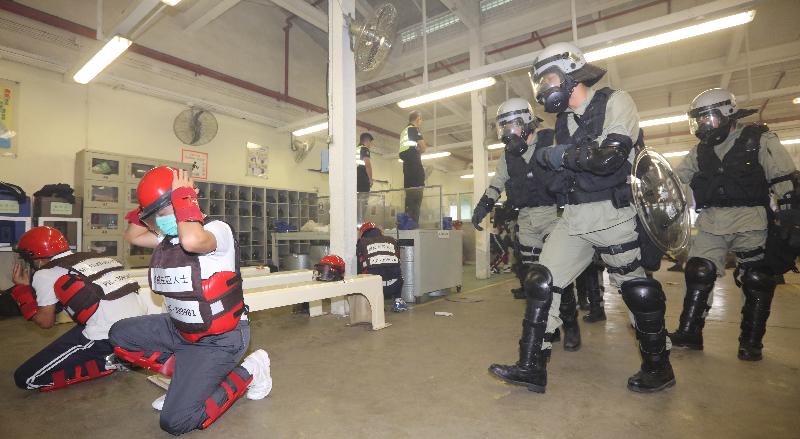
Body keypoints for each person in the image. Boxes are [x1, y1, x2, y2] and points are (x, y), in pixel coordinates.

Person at [488, 42, 674, 394]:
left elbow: (608, 159)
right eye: (539, 83)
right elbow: (561, 177)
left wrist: (559, 156)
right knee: (541, 281)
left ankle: (658, 365)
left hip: (612, 214)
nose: (544, 89)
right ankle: (532, 365)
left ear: (573, 73)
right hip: (573, 217)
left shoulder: (615, 101)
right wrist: (546, 162)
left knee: (636, 290)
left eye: (550, 78)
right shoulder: (563, 122)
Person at [110, 167, 272, 435]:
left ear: (187, 202)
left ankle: (251, 369)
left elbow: (193, 240)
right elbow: (134, 236)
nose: (162, 220)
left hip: (221, 337)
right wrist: (144, 209)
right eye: (157, 216)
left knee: (176, 422)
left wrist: (184, 199)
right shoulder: (169, 237)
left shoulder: (215, 229)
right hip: (180, 329)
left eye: (166, 211)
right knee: (120, 335)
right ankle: (187, 385)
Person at [669, 88, 797, 361]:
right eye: (699, 120)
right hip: (711, 220)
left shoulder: (759, 139)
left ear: (727, 113)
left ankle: (751, 343)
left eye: (707, 118)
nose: (703, 126)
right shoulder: (699, 151)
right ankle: (690, 333)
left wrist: (790, 217)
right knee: (698, 270)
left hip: (751, 220)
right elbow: (676, 180)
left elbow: (785, 179)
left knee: (757, 278)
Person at [472, 97, 581, 351]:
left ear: (527, 123)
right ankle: (547, 326)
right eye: (504, 127)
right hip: (526, 218)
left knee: (556, 274)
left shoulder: (550, 139)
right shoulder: (508, 155)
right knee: (534, 278)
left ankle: (571, 325)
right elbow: (498, 183)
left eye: (512, 126)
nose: (508, 133)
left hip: (553, 215)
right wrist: (483, 207)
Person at [10, 226, 144, 391]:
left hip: (107, 334)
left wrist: (22, 292)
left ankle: (109, 362)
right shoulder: (91, 257)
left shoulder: (45, 274)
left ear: (35, 258)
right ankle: (125, 353)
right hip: (139, 326)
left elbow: (46, 322)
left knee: (26, 378)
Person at [356, 222, 406, 312]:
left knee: (362, 274)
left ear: (363, 233)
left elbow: (359, 267)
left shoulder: (362, 243)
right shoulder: (391, 240)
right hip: (395, 285)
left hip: (376, 286)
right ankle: (398, 301)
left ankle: (377, 305)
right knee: (397, 272)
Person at [399, 111, 428, 226]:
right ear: (418, 119)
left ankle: (407, 221)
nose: (421, 122)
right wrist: (419, 150)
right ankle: (413, 223)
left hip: (407, 166)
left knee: (409, 195)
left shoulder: (404, 131)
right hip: (415, 165)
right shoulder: (413, 129)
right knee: (417, 194)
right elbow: (423, 147)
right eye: (421, 120)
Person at [357, 132, 374, 224]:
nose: (371, 145)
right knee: (362, 204)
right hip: (362, 180)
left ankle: (355, 224)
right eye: (370, 142)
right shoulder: (364, 149)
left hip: (355, 181)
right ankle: (359, 225)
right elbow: (367, 164)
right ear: (366, 141)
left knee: (356, 205)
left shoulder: (355, 149)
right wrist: (370, 179)